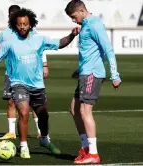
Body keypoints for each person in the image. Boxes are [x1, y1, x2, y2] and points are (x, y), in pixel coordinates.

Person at [0, 8, 79, 159]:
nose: (23, 27)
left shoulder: (39, 39)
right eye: (19, 24)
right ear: (15, 25)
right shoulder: (9, 42)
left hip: (37, 85)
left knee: (44, 115)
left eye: (25, 24)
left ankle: (44, 139)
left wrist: (71, 35)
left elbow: (60, 43)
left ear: (30, 24)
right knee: (23, 112)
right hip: (18, 84)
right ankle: (24, 146)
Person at [64, 0, 122, 164]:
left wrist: (115, 75)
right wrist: (80, 69)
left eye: (74, 16)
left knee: (84, 110)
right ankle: (86, 148)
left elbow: (108, 50)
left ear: (82, 11)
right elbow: (91, 52)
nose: (73, 20)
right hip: (85, 72)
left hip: (92, 74)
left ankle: (94, 153)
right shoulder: (85, 26)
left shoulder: (95, 25)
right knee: (74, 108)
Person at [0, 5, 48, 140]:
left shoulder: (31, 31)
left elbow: (40, 48)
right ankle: (11, 132)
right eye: (11, 14)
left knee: (33, 103)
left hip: (30, 73)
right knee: (10, 101)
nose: (14, 16)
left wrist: (45, 65)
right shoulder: (4, 34)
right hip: (11, 74)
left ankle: (40, 131)